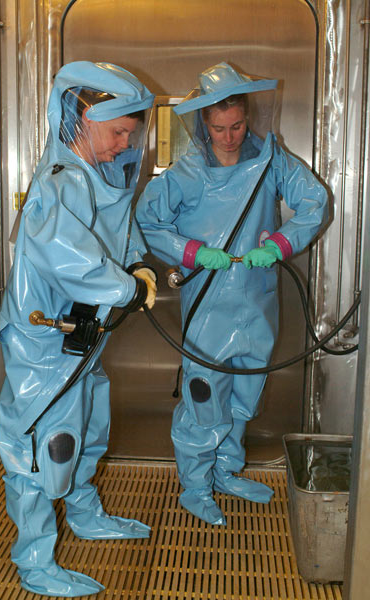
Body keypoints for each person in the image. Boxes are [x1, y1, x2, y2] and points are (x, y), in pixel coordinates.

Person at [136, 62, 328, 526]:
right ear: (204, 123)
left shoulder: (271, 162)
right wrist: (192, 252)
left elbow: (315, 201)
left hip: (257, 303)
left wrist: (280, 244)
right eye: (219, 128)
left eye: (237, 125)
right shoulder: (187, 173)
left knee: (245, 393)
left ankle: (226, 472)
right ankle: (195, 487)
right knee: (204, 398)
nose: (229, 137)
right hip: (209, 309)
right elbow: (147, 221)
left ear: (248, 117)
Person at [0, 61, 157, 597]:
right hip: (44, 345)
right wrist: (127, 288)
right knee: (42, 447)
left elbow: (117, 234)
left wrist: (139, 265)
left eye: (130, 136)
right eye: (118, 133)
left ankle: (86, 516)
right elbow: (73, 259)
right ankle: (35, 562)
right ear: (85, 119)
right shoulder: (59, 183)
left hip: (81, 340)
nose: (123, 146)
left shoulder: (96, 180)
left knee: (88, 429)